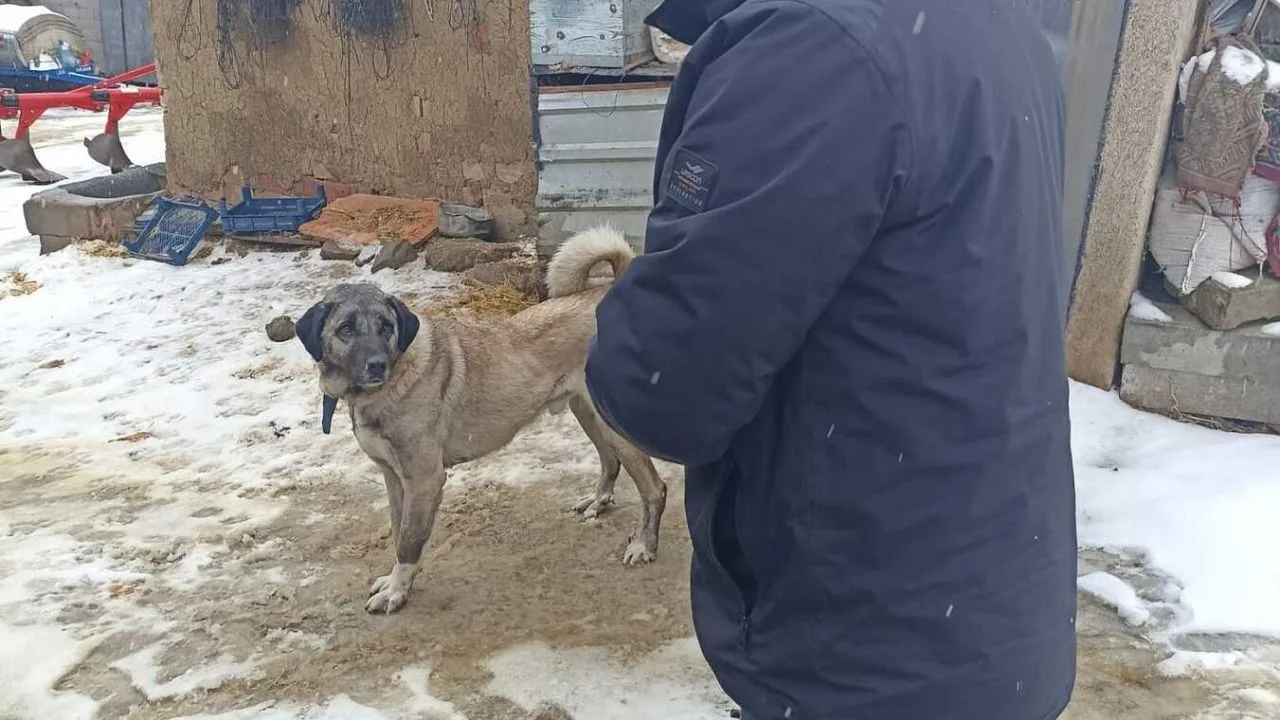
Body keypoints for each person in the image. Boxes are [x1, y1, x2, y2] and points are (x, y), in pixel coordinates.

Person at [582, 0, 1078, 718]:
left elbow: (664, 392)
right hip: (987, 602)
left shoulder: (813, 50)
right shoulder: (992, 21)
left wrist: (619, 320)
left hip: (863, 638)